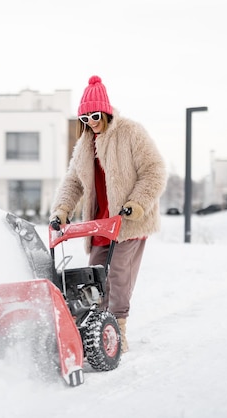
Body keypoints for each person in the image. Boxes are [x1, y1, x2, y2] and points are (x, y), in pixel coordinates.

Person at [49, 75, 166, 352]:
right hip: (100, 224)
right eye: (85, 117)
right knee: (94, 280)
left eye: (95, 115)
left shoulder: (130, 133)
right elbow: (74, 181)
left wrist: (137, 203)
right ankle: (98, 332)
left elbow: (155, 170)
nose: (91, 121)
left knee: (117, 276)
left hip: (129, 222)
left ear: (107, 111)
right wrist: (63, 209)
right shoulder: (84, 146)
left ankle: (118, 333)